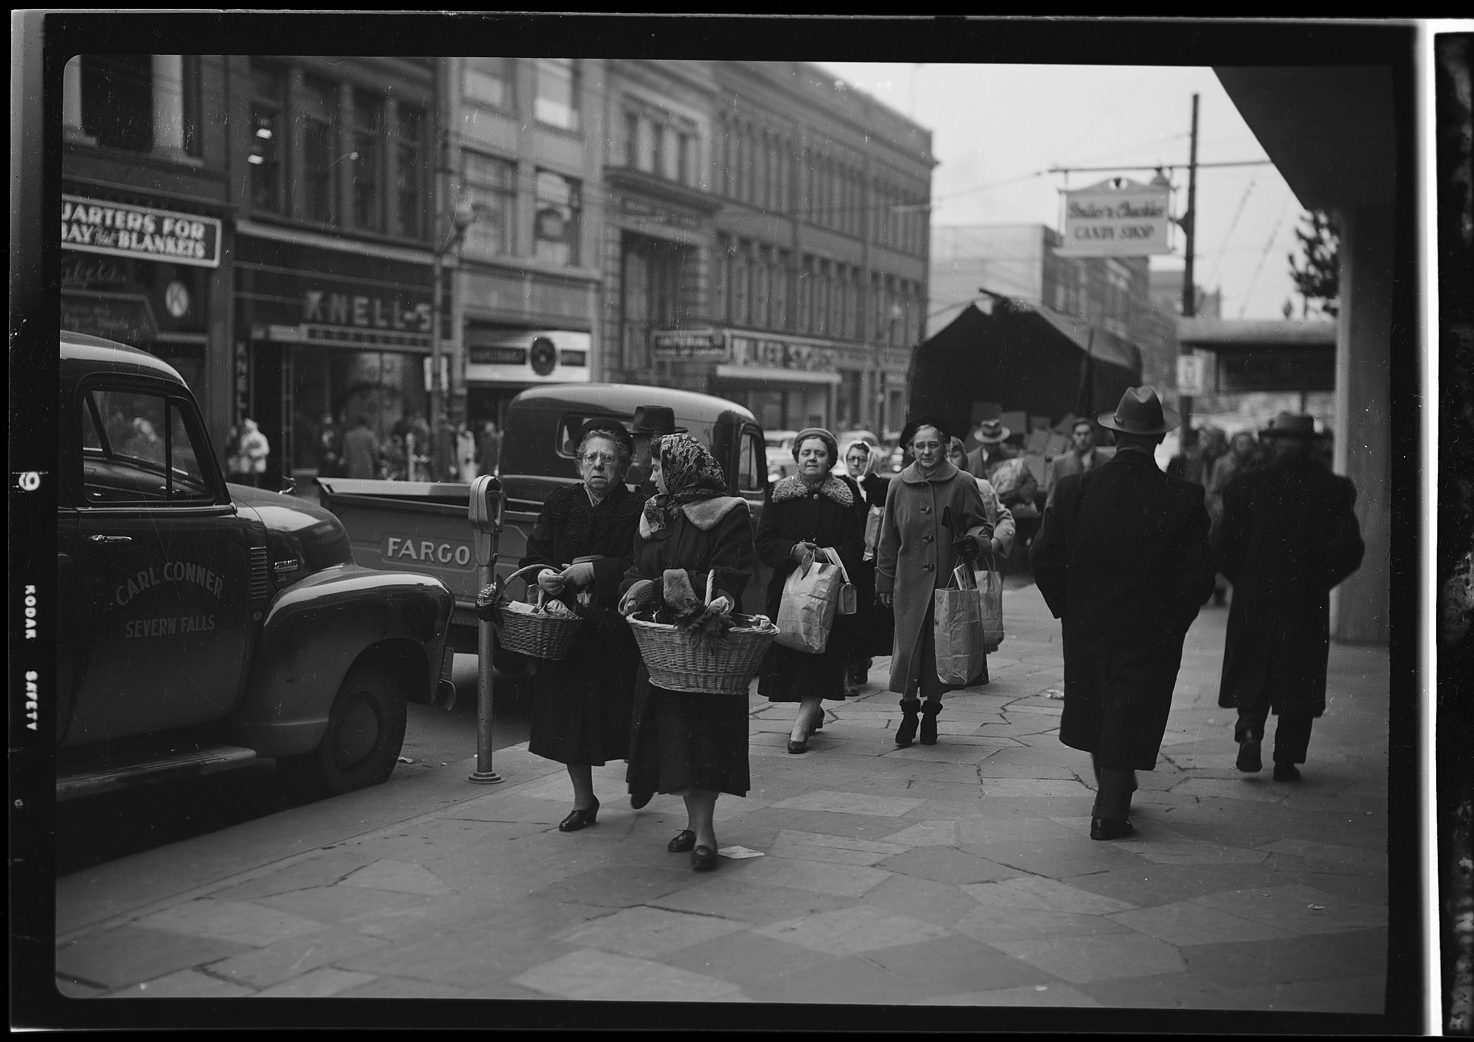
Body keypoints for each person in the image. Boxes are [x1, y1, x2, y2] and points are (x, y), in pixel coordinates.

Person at [1030, 386, 1214, 841]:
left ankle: (1114, 789)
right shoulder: (1184, 496)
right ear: (1156, 440)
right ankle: (1110, 806)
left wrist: (1067, 608)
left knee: (1097, 704)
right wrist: (1176, 619)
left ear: (1114, 436)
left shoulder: (1075, 489)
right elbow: (1198, 576)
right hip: (1152, 626)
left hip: (1088, 623)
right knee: (1133, 707)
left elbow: (1043, 556)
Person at [617, 433, 755, 872]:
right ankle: (694, 824)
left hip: (705, 645)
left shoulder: (728, 513)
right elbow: (635, 570)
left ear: (679, 469)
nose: (651, 475)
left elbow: (729, 577)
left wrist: (661, 586)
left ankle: (707, 831)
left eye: (657, 467)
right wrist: (634, 589)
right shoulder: (654, 513)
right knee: (676, 740)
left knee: (706, 739)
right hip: (662, 647)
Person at [1213, 412, 1365, 783]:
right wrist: (1317, 582)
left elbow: (1220, 545)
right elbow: (1350, 550)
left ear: (1272, 443)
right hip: (1304, 599)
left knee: (1252, 665)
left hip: (1253, 597)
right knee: (1299, 674)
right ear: (1309, 445)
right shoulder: (1333, 488)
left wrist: (1243, 579)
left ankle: (1249, 732)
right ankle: (1287, 758)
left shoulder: (1244, 485)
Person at [520, 419, 647, 832]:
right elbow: (531, 559)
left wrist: (594, 572)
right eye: (590, 458)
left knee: (624, 711)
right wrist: (541, 576)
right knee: (570, 717)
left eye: (607, 459)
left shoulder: (636, 508)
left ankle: (641, 775)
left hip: (615, 628)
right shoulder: (560, 503)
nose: (598, 466)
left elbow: (641, 566)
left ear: (623, 466)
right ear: (578, 466)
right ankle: (583, 799)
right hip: (566, 628)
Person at [876, 417, 994, 748]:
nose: (926, 451)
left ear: (945, 446)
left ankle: (931, 713)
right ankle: (908, 711)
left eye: (933, 444)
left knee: (940, 652)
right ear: (910, 448)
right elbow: (887, 538)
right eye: (920, 445)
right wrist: (883, 581)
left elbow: (982, 526)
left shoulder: (963, 482)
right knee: (909, 652)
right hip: (909, 585)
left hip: (948, 582)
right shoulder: (898, 485)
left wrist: (973, 541)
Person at [755, 428, 866, 754]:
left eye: (819, 453)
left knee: (819, 656)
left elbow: (856, 547)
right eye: (806, 453)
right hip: (787, 593)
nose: (812, 458)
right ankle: (811, 708)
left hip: (826, 593)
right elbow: (763, 543)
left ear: (830, 458)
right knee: (791, 655)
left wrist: (823, 554)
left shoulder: (845, 496)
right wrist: (792, 550)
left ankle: (801, 728)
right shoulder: (778, 494)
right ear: (797, 457)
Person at [947, 437, 1016, 684]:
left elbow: (1005, 517)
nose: (949, 461)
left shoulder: (982, 486)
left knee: (975, 615)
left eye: (955, 455)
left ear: (964, 459)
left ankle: (976, 668)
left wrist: (995, 542)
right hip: (945, 563)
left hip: (976, 563)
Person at [841, 439, 893, 694]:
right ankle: (850, 668)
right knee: (849, 615)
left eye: (861, 459)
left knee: (868, 616)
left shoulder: (880, 486)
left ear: (869, 460)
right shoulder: (840, 484)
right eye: (852, 459)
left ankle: (861, 661)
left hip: (873, 561)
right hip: (849, 560)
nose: (856, 463)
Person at [1044, 419, 1101, 504]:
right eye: (1078, 434)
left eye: (1086, 434)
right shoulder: (1060, 463)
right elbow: (1052, 498)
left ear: (1092, 435)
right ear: (1073, 436)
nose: (1082, 438)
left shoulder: (1104, 460)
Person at [239, 418, 270, 487]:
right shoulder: (244, 437)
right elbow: (242, 450)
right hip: (246, 466)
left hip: (257, 465)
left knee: (256, 484)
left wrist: (253, 453)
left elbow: (265, 450)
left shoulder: (261, 437)